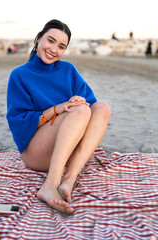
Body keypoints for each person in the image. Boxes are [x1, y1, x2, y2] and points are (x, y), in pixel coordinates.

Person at [6, 19, 111, 214]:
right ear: (38, 39)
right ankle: (50, 184)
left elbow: (91, 105)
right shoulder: (19, 75)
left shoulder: (68, 69)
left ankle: (69, 180)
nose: (54, 49)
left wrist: (79, 100)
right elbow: (20, 124)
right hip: (36, 152)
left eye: (61, 46)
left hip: (66, 148)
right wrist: (58, 109)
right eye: (50, 41)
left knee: (102, 108)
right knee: (79, 111)